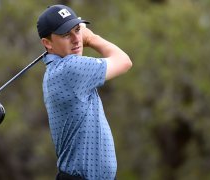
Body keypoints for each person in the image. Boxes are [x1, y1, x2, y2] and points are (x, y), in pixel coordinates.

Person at [37, 4, 132, 180]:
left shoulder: (59, 70)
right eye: (66, 34)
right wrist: (91, 38)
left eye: (77, 30)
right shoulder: (69, 69)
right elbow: (124, 61)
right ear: (47, 43)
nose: (76, 39)